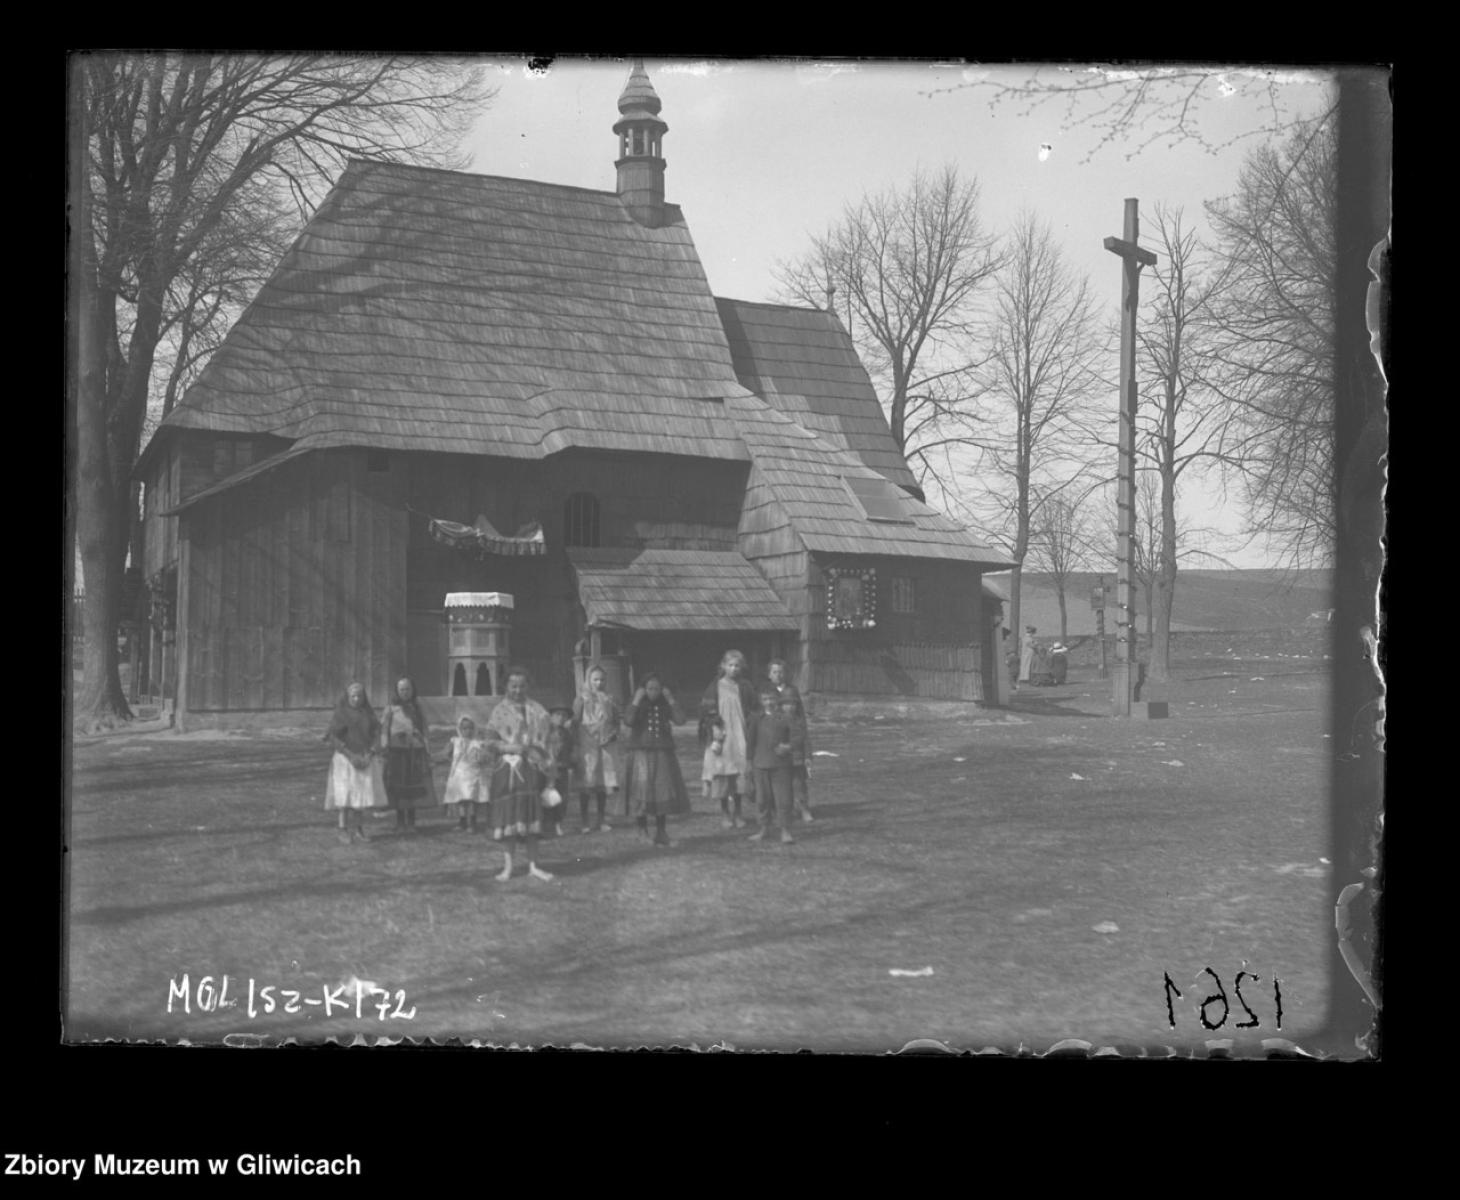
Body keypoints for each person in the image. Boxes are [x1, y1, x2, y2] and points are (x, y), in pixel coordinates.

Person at [484, 667, 554, 881]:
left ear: (528, 686)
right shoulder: (498, 712)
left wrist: (545, 761)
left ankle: (534, 865)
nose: (517, 690)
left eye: (522, 685)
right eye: (513, 685)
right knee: (509, 818)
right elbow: (489, 742)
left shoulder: (538, 710)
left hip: (532, 769)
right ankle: (508, 867)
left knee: (531, 815)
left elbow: (548, 739)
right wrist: (511, 748)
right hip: (508, 771)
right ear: (506, 686)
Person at [622, 673, 690, 846]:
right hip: (641, 753)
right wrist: (636, 700)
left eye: (657, 689)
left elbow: (681, 720)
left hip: (662, 752)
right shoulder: (637, 704)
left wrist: (670, 699)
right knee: (642, 791)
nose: (653, 692)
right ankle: (642, 830)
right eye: (650, 689)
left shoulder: (664, 704)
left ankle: (661, 832)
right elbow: (628, 721)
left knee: (662, 790)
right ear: (643, 690)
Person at [699, 649, 757, 829]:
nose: (733, 669)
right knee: (723, 773)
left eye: (737, 666)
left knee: (739, 773)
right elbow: (705, 711)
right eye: (730, 665)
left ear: (742, 667)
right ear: (723, 666)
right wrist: (713, 726)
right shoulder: (714, 686)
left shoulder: (746, 686)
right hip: (721, 735)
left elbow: (755, 709)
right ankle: (725, 812)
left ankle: (738, 812)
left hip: (740, 734)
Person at [323, 682, 383, 845]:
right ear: (348, 697)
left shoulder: (369, 714)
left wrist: (370, 753)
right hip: (346, 759)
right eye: (353, 696)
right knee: (345, 795)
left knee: (360, 796)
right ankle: (342, 829)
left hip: (364, 757)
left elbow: (377, 734)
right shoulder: (341, 714)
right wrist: (350, 755)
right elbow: (334, 737)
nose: (356, 699)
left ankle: (358, 829)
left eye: (360, 696)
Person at [381, 677, 436, 832]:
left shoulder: (417, 708)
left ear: (412, 690)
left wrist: (427, 748)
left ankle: (411, 822)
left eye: (408, 689)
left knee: (413, 786)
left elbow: (425, 729)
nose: (405, 692)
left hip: (415, 751)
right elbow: (384, 729)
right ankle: (400, 822)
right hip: (397, 751)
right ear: (397, 691)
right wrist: (385, 746)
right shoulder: (391, 709)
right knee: (399, 786)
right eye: (402, 690)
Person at [746, 684, 798, 845]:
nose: (769, 702)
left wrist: (788, 747)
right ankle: (763, 829)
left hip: (781, 766)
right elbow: (750, 742)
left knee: (783, 799)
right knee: (762, 800)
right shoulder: (756, 718)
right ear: (761, 701)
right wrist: (749, 763)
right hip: (760, 765)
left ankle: (785, 830)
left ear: (778, 700)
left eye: (772, 699)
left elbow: (798, 737)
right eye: (765, 699)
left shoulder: (786, 718)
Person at [573, 664, 621, 834]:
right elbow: (576, 721)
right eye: (595, 679)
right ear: (589, 680)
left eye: (602, 679)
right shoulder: (581, 699)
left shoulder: (610, 699)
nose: (598, 683)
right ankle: (585, 820)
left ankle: (601, 819)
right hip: (587, 743)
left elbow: (616, 721)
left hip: (605, 744)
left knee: (602, 783)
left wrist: (612, 733)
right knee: (587, 782)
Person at [765, 658, 813, 822]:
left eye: (781, 671)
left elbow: (801, 721)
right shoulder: (767, 692)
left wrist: (807, 752)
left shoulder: (792, 690)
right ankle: (779, 810)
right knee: (777, 781)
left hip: (794, 742)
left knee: (798, 780)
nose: (778, 675)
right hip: (775, 741)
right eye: (774, 672)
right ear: (769, 674)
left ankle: (803, 807)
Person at [442, 715, 487, 833]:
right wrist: (450, 759)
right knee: (461, 799)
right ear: (460, 729)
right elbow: (446, 753)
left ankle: (472, 823)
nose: (468, 731)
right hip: (459, 774)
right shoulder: (455, 741)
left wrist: (481, 757)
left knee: (471, 798)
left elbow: (482, 759)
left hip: (472, 774)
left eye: (470, 728)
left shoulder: (477, 743)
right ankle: (462, 822)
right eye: (465, 728)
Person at [541, 704, 575, 837]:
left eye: (563, 715)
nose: (560, 718)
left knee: (562, 797)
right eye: (557, 715)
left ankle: (558, 824)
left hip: (562, 768)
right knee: (547, 796)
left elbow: (570, 749)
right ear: (551, 716)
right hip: (548, 769)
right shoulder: (545, 731)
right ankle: (546, 824)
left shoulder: (567, 733)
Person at [701, 716, 728, 809]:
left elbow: (723, 735)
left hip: (717, 751)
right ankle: (706, 789)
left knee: (715, 772)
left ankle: (713, 790)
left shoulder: (722, 728)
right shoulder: (712, 729)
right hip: (712, 752)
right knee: (709, 772)